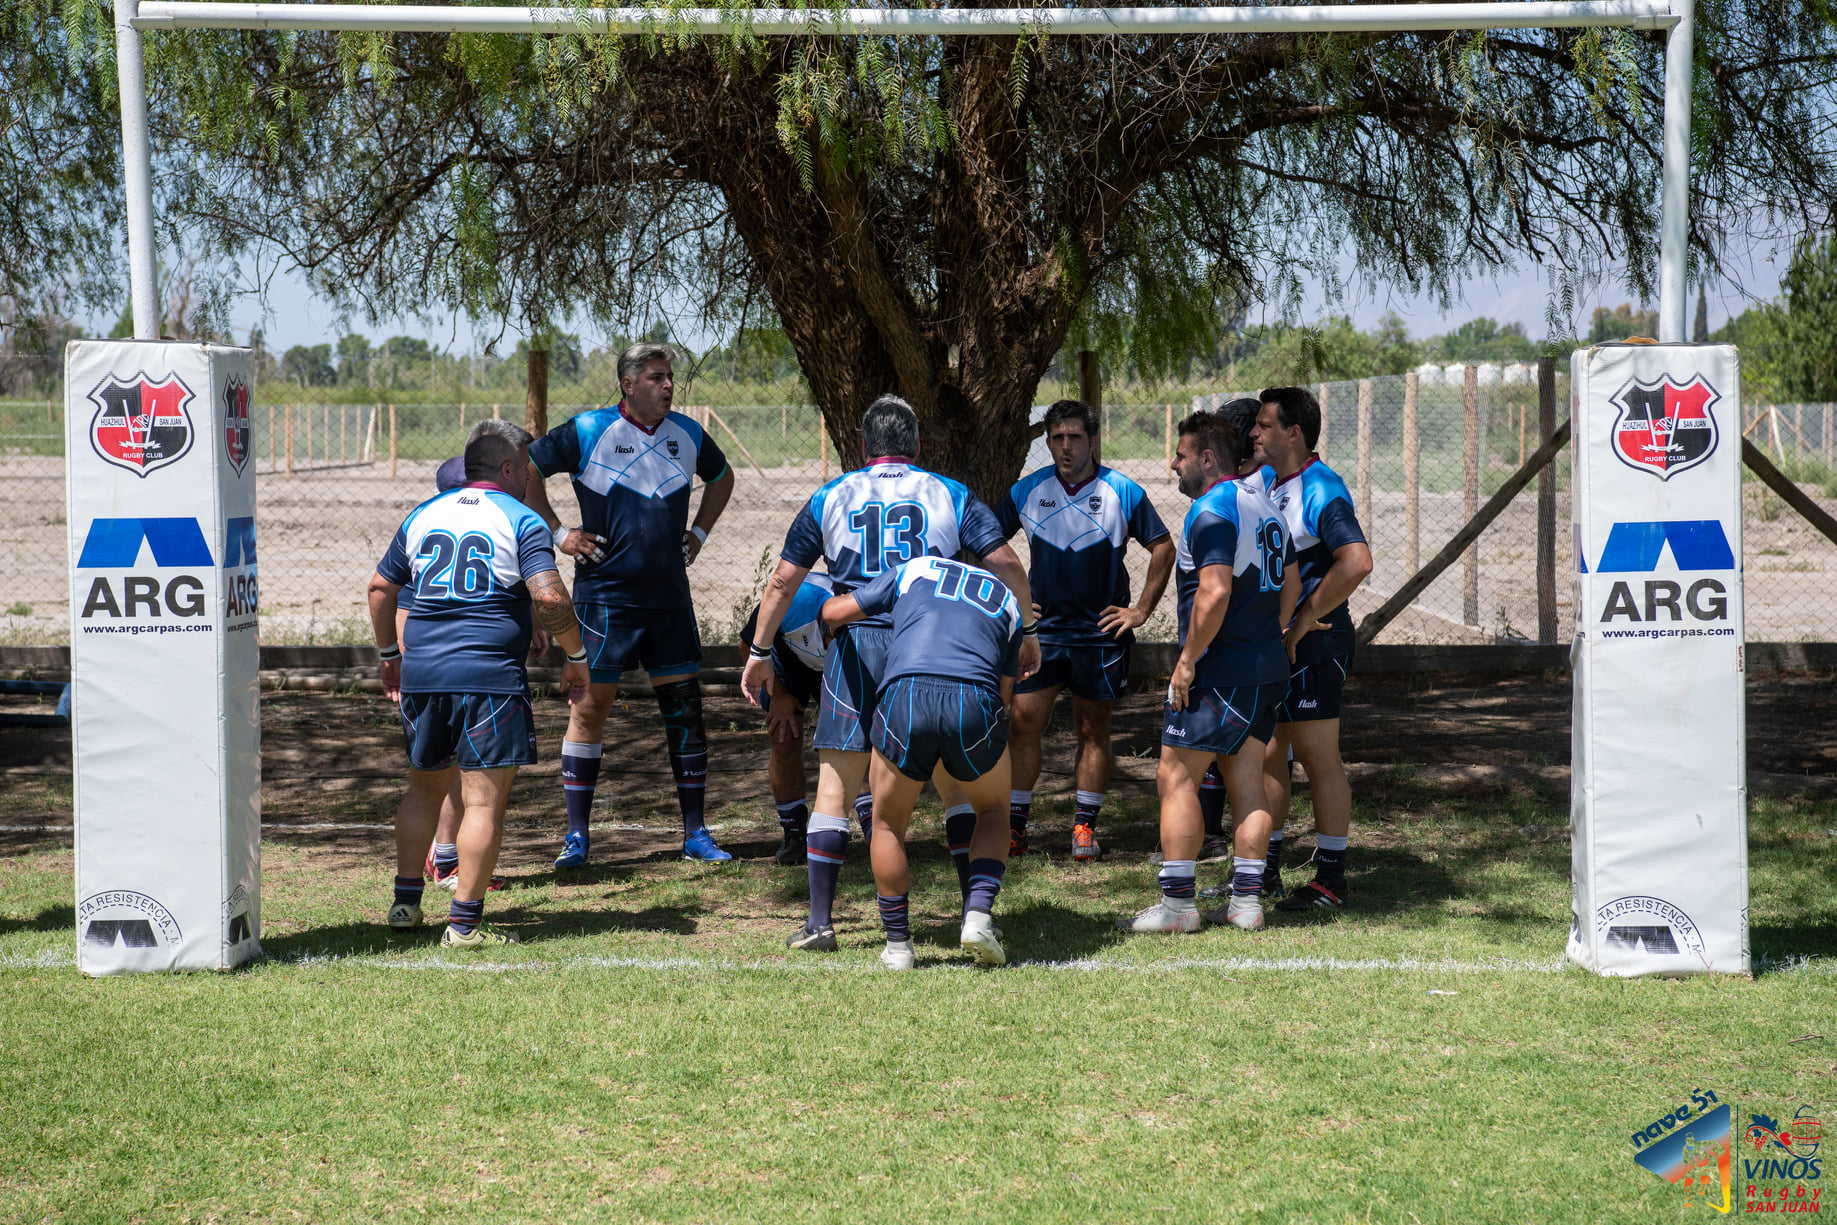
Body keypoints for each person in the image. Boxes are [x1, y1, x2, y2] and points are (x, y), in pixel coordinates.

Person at [739, 393, 1039, 953]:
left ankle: (820, 922)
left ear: (862, 446)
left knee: (836, 785)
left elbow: (782, 582)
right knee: (955, 783)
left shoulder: (831, 494)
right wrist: (1026, 628)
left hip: (857, 640)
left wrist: (760, 651)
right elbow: (1003, 561)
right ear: (917, 445)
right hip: (928, 642)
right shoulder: (950, 492)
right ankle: (973, 911)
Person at [370, 420, 591, 947]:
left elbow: (380, 588)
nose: (532, 480)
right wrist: (576, 655)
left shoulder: (423, 514)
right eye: (528, 470)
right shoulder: (521, 518)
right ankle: (465, 925)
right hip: (488, 677)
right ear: (508, 468)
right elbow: (550, 596)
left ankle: (405, 905)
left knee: (423, 790)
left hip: (423, 674)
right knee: (483, 804)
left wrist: (389, 655)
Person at [521, 342, 737, 867]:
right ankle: (577, 837)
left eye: (670, 377)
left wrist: (699, 533)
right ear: (628, 383)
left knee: (684, 711)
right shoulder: (588, 429)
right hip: (604, 601)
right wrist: (559, 533)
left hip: (668, 601)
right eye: (657, 377)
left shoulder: (688, 433)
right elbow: (525, 469)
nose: (668, 386)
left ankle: (695, 834)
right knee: (588, 710)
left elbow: (723, 476)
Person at [1120, 409, 1295, 935]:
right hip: (1264, 668)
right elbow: (1291, 584)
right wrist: (1269, 636)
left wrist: (1187, 661)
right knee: (1247, 781)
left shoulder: (1213, 508)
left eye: (1181, 455)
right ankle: (1246, 902)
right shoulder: (1266, 503)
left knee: (1175, 776)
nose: (1173, 464)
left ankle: (1178, 906)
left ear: (1208, 457)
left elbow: (1215, 591)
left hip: (1219, 673)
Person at [822, 556, 1023, 968]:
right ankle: (978, 917)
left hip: (906, 691)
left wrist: (829, 611)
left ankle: (898, 946)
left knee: (886, 823)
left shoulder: (916, 568)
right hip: (975, 697)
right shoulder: (1008, 598)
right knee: (993, 811)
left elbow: (835, 612)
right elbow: (1004, 693)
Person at [996, 400, 1174, 861]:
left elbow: (1163, 547)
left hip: (1100, 636)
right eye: (1057, 438)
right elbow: (986, 546)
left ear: (1092, 440)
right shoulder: (1026, 490)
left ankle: (1084, 829)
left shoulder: (1123, 491)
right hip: (1041, 634)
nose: (1066, 446)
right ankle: (1014, 829)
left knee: (1093, 729)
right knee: (1021, 724)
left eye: (1074, 437)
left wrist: (1141, 611)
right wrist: (1009, 601)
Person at [1247, 386, 1374, 912]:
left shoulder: (1322, 487)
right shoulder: (1266, 482)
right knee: (1269, 755)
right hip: (1278, 648)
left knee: (1318, 758)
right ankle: (1265, 873)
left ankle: (1331, 880)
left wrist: (1303, 619)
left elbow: (1357, 562)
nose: (1254, 432)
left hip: (1317, 644)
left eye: (1264, 425)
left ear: (1293, 433)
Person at [738, 570, 837, 865]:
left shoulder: (864, 617)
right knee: (784, 736)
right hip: (785, 663)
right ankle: (793, 832)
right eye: (831, 637)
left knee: (855, 742)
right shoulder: (794, 602)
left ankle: (871, 826)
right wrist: (778, 694)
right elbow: (747, 646)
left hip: (838, 669)